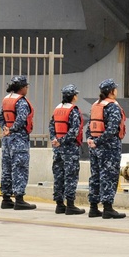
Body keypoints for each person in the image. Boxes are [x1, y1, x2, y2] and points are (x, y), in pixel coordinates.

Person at [86, 79, 126, 219]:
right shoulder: (112, 107)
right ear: (111, 91)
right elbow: (112, 129)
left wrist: (91, 140)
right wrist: (98, 141)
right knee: (109, 176)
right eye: (115, 88)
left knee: (95, 176)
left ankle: (93, 207)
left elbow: (90, 126)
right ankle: (108, 208)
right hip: (109, 147)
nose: (117, 90)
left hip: (95, 147)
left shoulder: (96, 106)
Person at [0, 75, 37, 210]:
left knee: (7, 168)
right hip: (18, 139)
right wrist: (12, 129)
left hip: (7, 139)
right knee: (20, 168)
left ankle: (6, 199)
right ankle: (19, 199)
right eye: (26, 86)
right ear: (21, 88)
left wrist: (5, 128)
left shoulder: (6, 100)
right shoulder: (21, 102)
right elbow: (21, 120)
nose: (27, 89)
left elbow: (0, 116)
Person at [50, 84, 84, 215]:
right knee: (71, 175)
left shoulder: (57, 109)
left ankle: (59, 205)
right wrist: (62, 141)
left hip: (57, 149)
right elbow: (74, 131)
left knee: (58, 175)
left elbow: (52, 126)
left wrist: (55, 140)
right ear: (73, 96)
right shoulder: (73, 110)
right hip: (69, 148)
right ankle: (70, 205)